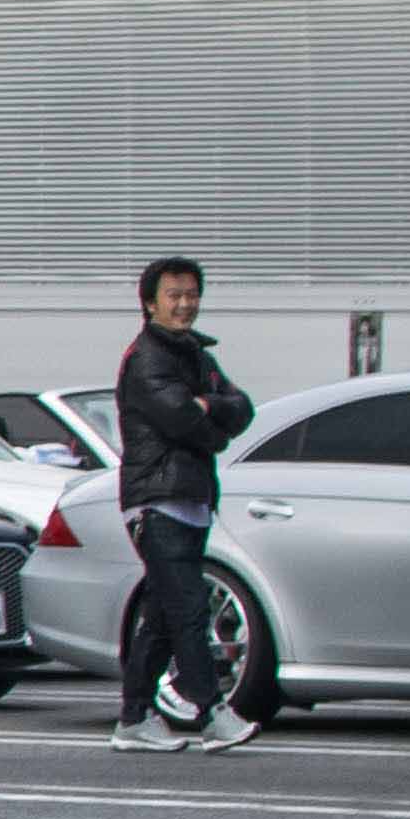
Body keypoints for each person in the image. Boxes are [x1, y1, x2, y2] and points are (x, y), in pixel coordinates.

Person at [108, 252, 260, 753]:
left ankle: (133, 720)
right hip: (158, 499)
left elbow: (242, 408)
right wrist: (211, 423)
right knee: (190, 607)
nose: (185, 304)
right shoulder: (147, 359)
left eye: (192, 295)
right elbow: (185, 422)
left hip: (188, 499)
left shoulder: (195, 355)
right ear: (150, 304)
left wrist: (209, 408)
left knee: (165, 616)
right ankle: (213, 713)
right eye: (173, 295)